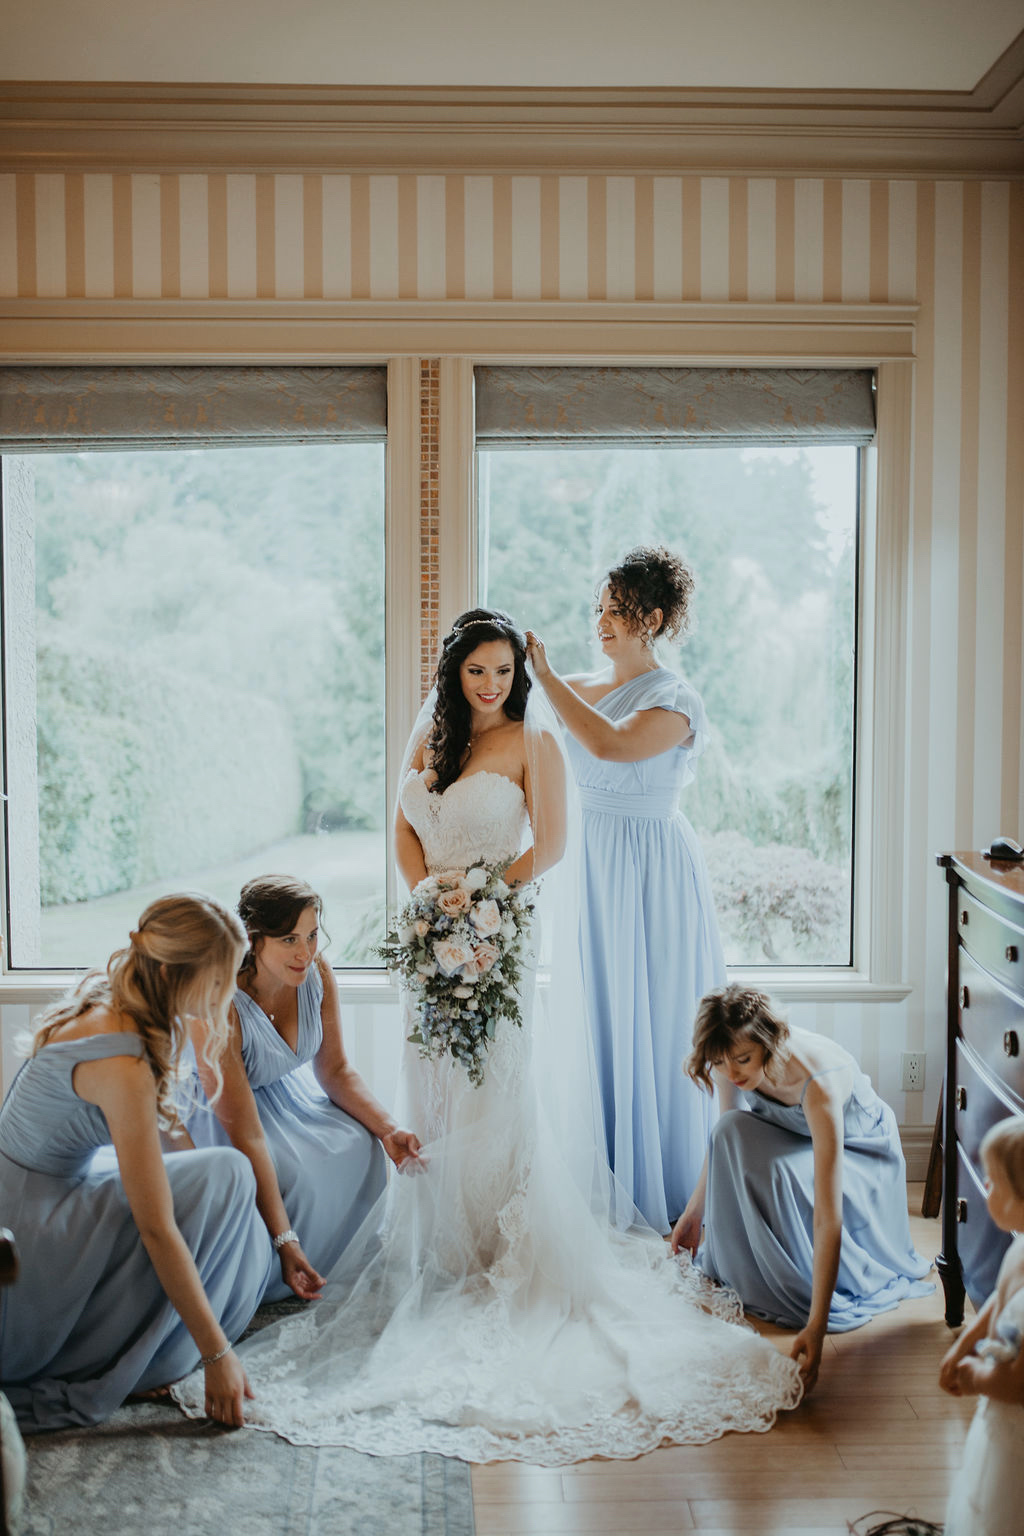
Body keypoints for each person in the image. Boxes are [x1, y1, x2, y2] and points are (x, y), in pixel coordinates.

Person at [172, 608, 802, 1462]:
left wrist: (481, 897)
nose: (492, 685)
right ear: (455, 672)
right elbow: (404, 825)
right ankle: (444, 1245)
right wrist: (428, 898)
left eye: (504, 671)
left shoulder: (534, 738)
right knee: (431, 1083)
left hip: (497, 933)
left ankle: (498, 1251)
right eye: (478, 671)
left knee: (491, 1083)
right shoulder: (430, 734)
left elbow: (554, 844)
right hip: (431, 932)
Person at [0, 894, 274, 1431]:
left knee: (226, 1174)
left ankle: (159, 1340)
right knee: (203, 1192)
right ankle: (135, 1355)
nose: (227, 994)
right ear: (174, 973)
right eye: (218, 980)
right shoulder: (120, 1061)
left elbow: (174, 1143)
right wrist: (216, 1355)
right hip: (28, 1220)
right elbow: (157, 1227)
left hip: (48, 1182)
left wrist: (217, 1209)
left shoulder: (126, 999)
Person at [525, 544, 725, 1232]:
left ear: (655, 619)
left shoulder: (676, 699)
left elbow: (609, 744)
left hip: (652, 870)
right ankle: (604, 1174)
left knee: (655, 1012)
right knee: (599, 1013)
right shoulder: (579, 686)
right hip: (590, 865)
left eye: (618, 610)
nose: (602, 621)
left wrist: (545, 675)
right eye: (600, 609)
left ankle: (664, 1183)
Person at [671, 985, 933, 1390]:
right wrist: (694, 1214)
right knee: (727, 1131)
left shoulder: (817, 1081)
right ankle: (749, 1264)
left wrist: (817, 1326)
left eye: (743, 1060)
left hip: (860, 1151)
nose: (732, 1073)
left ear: (768, 1044)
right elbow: (723, 1145)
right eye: (720, 1062)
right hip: (797, 1137)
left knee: (775, 1171)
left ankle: (796, 1275)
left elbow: (829, 1217)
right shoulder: (730, 1056)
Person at [186, 875, 421, 1302]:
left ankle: (334, 1260)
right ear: (254, 940)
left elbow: (336, 1070)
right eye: (289, 940)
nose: (306, 953)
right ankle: (285, 1265)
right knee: (292, 1172)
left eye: (312, 936)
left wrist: (389, 1130)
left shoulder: (317, 973)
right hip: (221, 1107)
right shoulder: (219, 1002)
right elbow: (247, 1134)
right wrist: (284, 1241)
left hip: (283, 1095)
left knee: (361, 1143)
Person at [941, 1117, 1024, 1536]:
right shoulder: (1021, 1245)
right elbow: (999, 1299)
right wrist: (965, 1344)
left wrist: (975, 1377)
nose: (985, 1187)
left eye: (994, 1182)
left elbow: (1017, 1383)